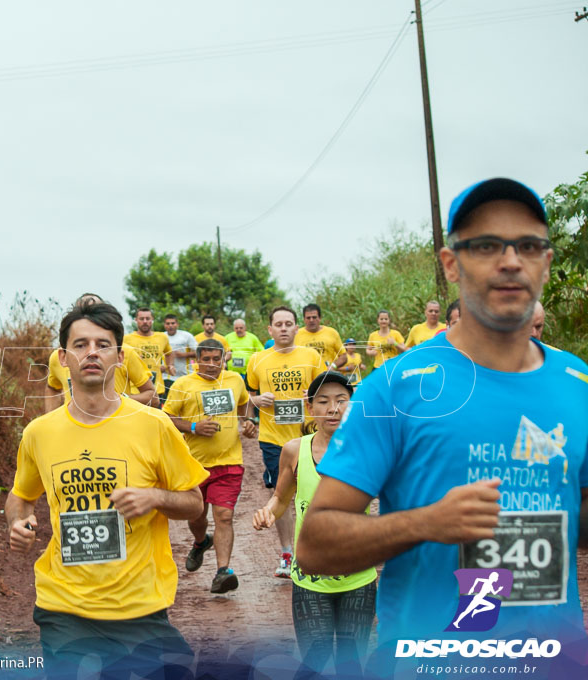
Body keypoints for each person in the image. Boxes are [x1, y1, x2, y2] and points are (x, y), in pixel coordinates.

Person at [298, 178, 588, 656]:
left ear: (546, 263)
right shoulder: (394, 386)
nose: (511, 260)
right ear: (451, 264)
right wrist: (427, 523)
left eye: (529, 245)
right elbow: (316, 546)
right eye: (487, 245)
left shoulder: (577, 383)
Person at [7, 300, 208, 678]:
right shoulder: (40, 433)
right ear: (63, 358)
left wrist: (154, 497)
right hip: (64, 605)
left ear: (119, 356)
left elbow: (194, 503)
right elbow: (20, 497)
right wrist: (18, 523)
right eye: (80, 345)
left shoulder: (154, 425)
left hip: (139, 604)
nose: (92, 352)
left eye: (103, 344)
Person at [253, 372, 376, 675]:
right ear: (310, 408)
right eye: (323, 401)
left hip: (358, 578)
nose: (333, 408)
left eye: (341, 400)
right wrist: (268, 510)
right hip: (309, 577)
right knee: (314, 659)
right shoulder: (295, 450)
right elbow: (281, 498)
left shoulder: (369, 449)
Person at [163, 339, 256, 594]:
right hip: (193, 464)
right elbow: (167, 416)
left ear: (224, 359)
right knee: (197, 515)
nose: (212, 365)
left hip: (229, 461)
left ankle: (222, 572)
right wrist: (194, 427)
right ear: (197, 360)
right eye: (207, 359)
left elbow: (246, 401)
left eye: (217, 359)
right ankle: (201, 542)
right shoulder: (183, 384)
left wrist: (247, 421)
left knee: (224, 516)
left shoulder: (235, 380)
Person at [246, 306, 323, 578]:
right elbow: (247, 396)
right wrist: (256, 401)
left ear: (296, 328)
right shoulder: (257, 360)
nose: (283, 328)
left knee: (312, 491)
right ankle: (287, 553)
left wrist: (311, 394)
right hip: (273, 439)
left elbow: (327, 392)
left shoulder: (311, 356)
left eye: (288, 323)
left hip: (309, 435)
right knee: (282, 495)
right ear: (269, 330)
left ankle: (315, 547)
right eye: (278, 324)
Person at [45, 295, 156, 413]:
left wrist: (120, 400)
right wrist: (50, 419)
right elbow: (52, 387)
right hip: (71, 428)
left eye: (96, 311)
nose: (89, 317)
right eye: (83, 311)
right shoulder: (58, 357)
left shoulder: (125, 352)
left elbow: (153, 397)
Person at [123, 307, 173, 404]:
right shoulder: (127, 339)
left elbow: (169, 353)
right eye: (141, 319)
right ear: (136, 320)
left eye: (148, 319)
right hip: (135, 392)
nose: (145, 321)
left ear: (152, 320)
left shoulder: (162, 337)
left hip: (157, 390)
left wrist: (169, 366)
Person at [295, 304, 348, 370]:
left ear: (320, 318)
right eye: (308, 318)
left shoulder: (332, 333)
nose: (311, 320)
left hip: (326, 375)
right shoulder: (296, 335)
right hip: (306, 376)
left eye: (314, 317)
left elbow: (343, 357)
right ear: (304, 319)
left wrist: (333, 367)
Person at [162, 313, 197, 394]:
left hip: (185, 375)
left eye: (173, 323)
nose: (170, 326)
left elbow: (199, 352)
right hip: (167, 376)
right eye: (168, 323)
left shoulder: (186, 336)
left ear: (177, 324)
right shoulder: (161, 337)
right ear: (164, 325)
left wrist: (184, 355)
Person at [224, 318, 264, 387]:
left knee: (247, 392)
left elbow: (261, 352)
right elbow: (221, 351)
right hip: (232, 372)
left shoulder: (252, 338)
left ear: (245, 328)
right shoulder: (228, 337)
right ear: (234, 328)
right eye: (236, 328)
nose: (239, 330)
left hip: (247, 372)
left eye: (241, 328)